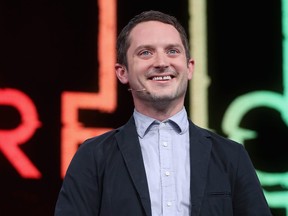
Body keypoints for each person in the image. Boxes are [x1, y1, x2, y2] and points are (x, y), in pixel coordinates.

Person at [54, 10, 272, 216]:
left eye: (172, 51)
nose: (161, 62)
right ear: (122, 72)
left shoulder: (231, 156)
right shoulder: (92, 156)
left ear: (189, 68)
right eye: (145, 52)